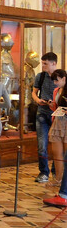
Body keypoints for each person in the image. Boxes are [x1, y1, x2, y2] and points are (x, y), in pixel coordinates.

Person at [31, 52, 59, 183]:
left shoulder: (62, 76)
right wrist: (37, 100)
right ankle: (43, 172)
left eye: (45, 63)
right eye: (42, 63)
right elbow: (34, 92)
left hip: (57, 115)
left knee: (56, 145)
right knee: (42, 145)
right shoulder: (40, 76)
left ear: (54, 63)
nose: (43, 66)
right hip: (42, 113)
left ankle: (56, 170)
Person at [43, 69, 67, 207]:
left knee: (65, 154)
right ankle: (58, 178)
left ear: (64, 78)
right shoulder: (57, 90)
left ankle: (64, 185)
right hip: (58, 121)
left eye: (57, 80)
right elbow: (56, 108)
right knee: (57, 153)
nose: (55, 83)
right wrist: (52, 105)